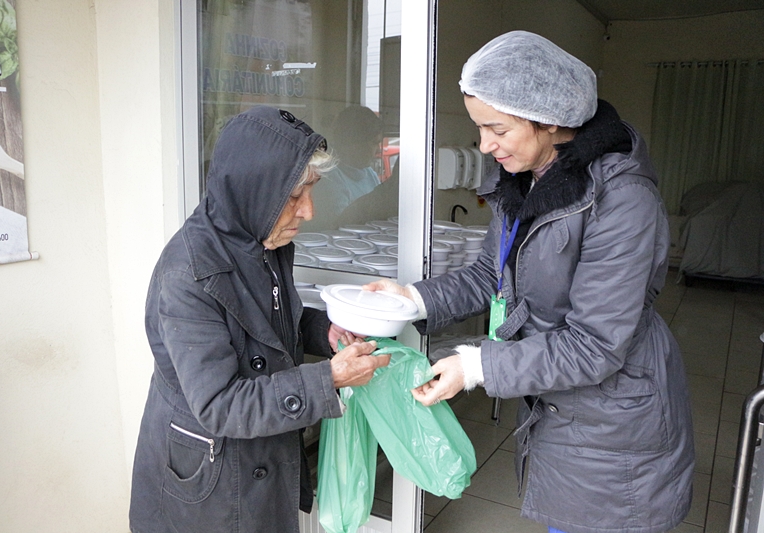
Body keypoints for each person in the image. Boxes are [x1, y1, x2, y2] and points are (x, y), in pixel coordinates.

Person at [365, 31, 694, 533]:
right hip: (565, 412)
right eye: (479, 128)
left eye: (496, 128)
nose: (484, 144)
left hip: (614, 426)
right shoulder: (523, 182)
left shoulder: (622, 200)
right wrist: (412, 299)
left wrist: (476, 366)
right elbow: (489, 276)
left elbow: (596, 346)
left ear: (550, 120)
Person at [129, 106, 391, 533]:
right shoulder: (189, 275)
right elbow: (220, 404)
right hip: (210, 483)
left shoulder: (261, 241)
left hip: (259, 460)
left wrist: (323, 331)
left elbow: (266, 323)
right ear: (254, 189)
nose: (308, 211)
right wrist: (329, 379)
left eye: (311, 191)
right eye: (295, 196)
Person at [302, 105, 386, 231]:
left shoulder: (370, 174)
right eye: (374, 143)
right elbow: (341, 225)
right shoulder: (329, 177)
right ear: (355, 143)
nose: (378, 149)